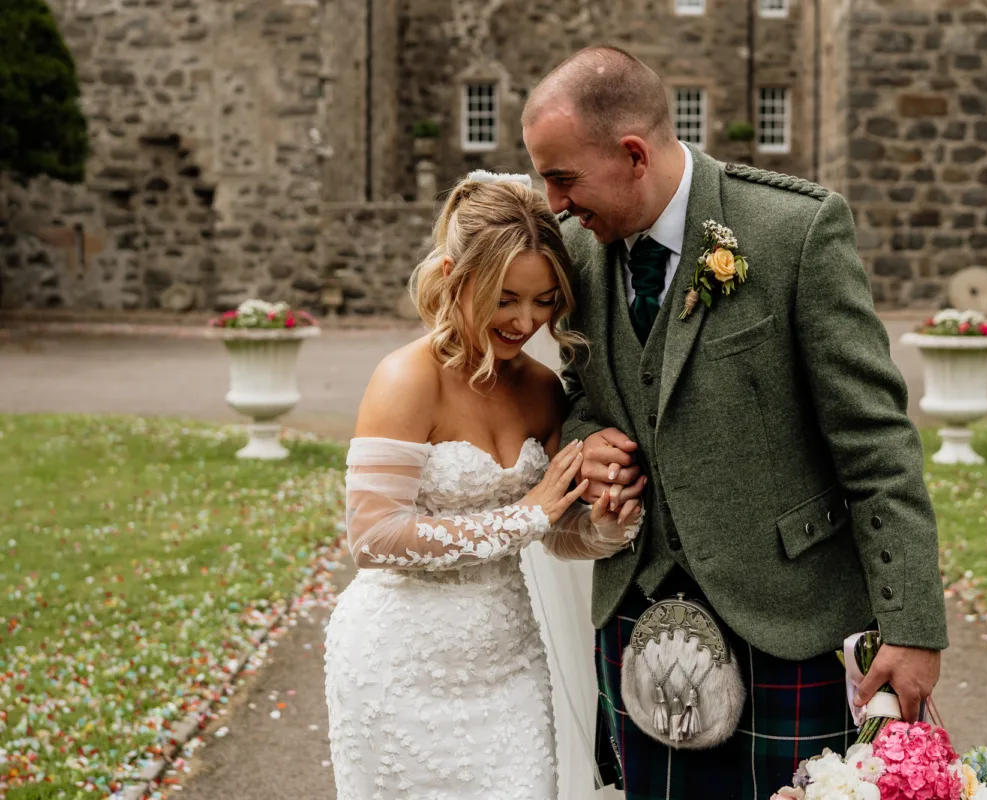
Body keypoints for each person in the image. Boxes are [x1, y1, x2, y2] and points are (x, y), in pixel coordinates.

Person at [521, 47, 949, 799]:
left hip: (788, 621)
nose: (553, 202)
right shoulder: (580, 255)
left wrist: (912, 627)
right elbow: (583, 388)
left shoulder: (794, 230)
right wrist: (589, 440)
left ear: (631, 155)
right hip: (639, 614)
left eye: (562, 177)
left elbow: (877, 444)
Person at [323, 172, 644, 800]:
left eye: (546, 300)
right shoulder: (405, 380)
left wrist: (607, 522)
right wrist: (523, 517)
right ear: (453, 275)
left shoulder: (541, 389)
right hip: (397, 664)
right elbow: (371, 537)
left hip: (510, 664)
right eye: (504, 297)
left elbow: (559, 532)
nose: (526, 320)